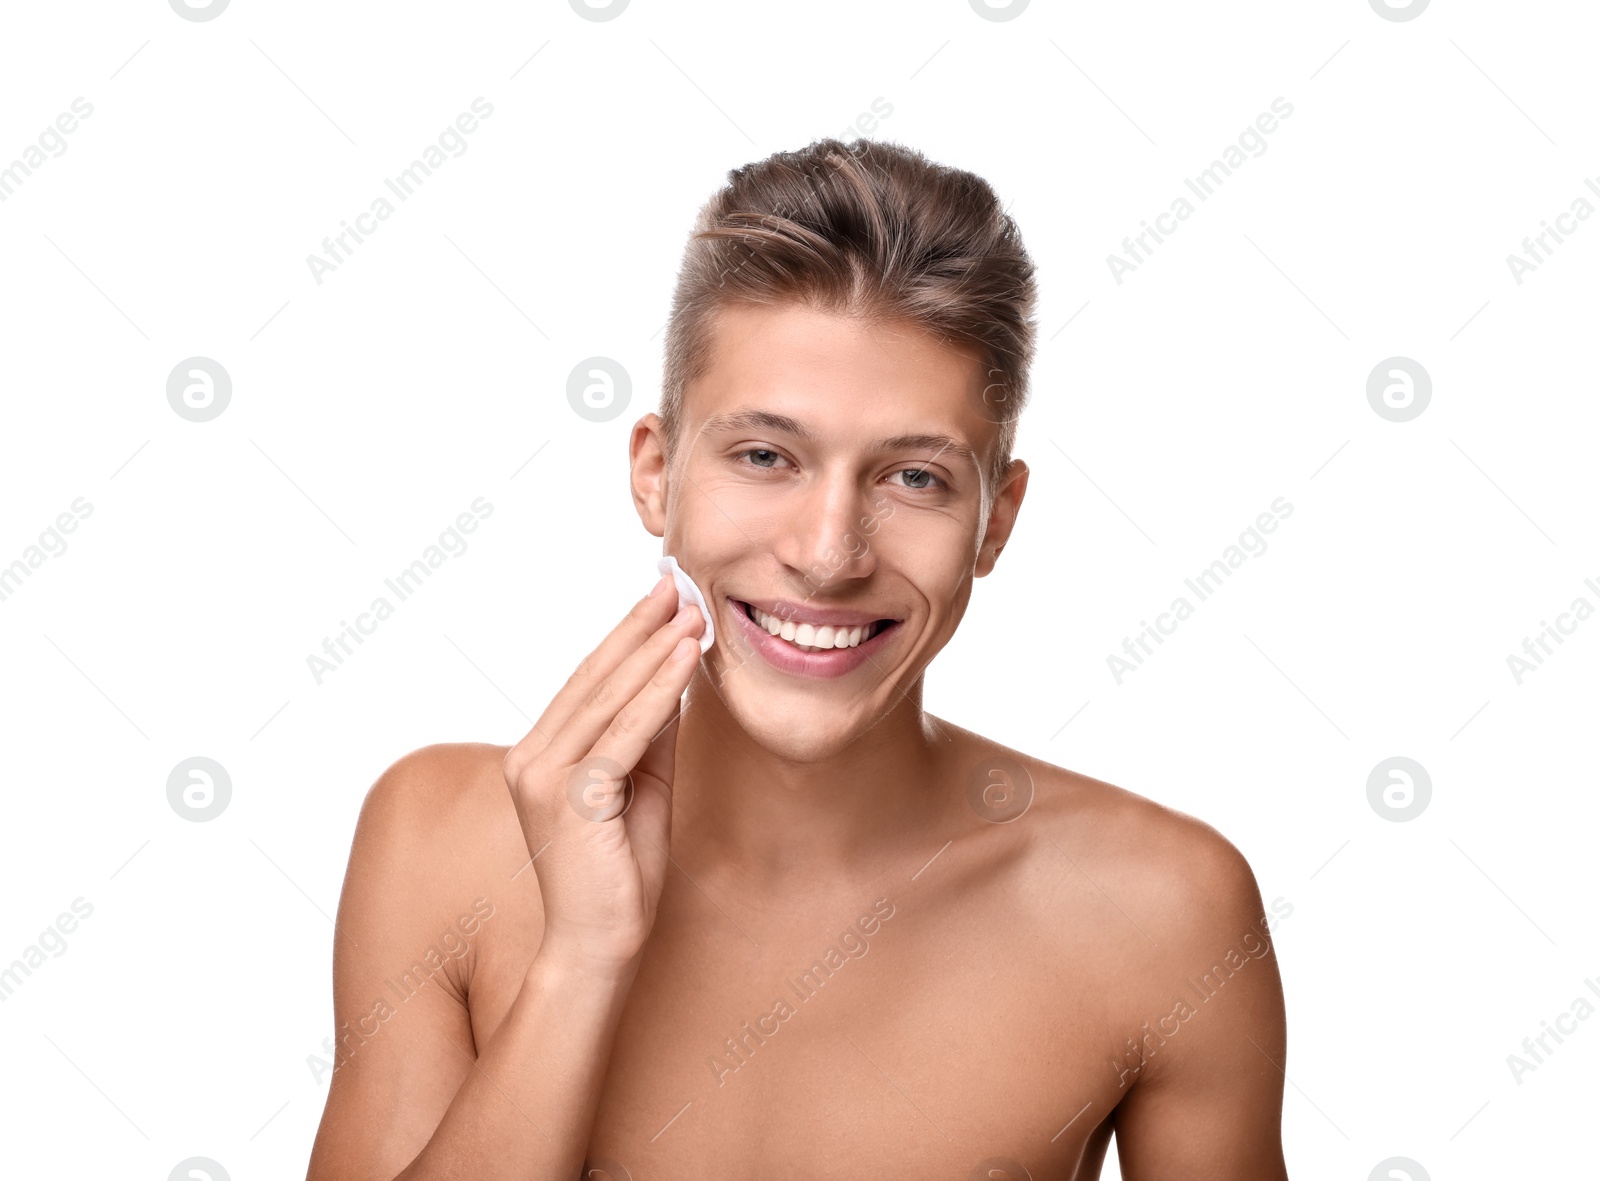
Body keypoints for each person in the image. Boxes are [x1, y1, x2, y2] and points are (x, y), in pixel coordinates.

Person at [305, 137, 1289, 1180]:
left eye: (912, 477)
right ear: (655, 472)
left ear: (995, 522)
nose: (826, 554)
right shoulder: (440, 839)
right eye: (765, 455)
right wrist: (579, 960)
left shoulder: (1161, 911)